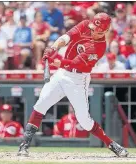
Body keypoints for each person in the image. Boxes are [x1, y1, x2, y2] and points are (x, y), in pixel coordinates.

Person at [17, 12, 128, 157]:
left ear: (105, 31)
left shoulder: (100, 47)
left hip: (78, 79)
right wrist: (53, 48)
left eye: (97, 30)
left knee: (84, 121)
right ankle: (24, 145)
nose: (93, 31)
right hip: (62, 73)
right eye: (93, 27)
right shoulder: (84, 25)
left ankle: (111, 144)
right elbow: (66, 37)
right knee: (40, 105)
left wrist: (56, 61)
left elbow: (77, 63)